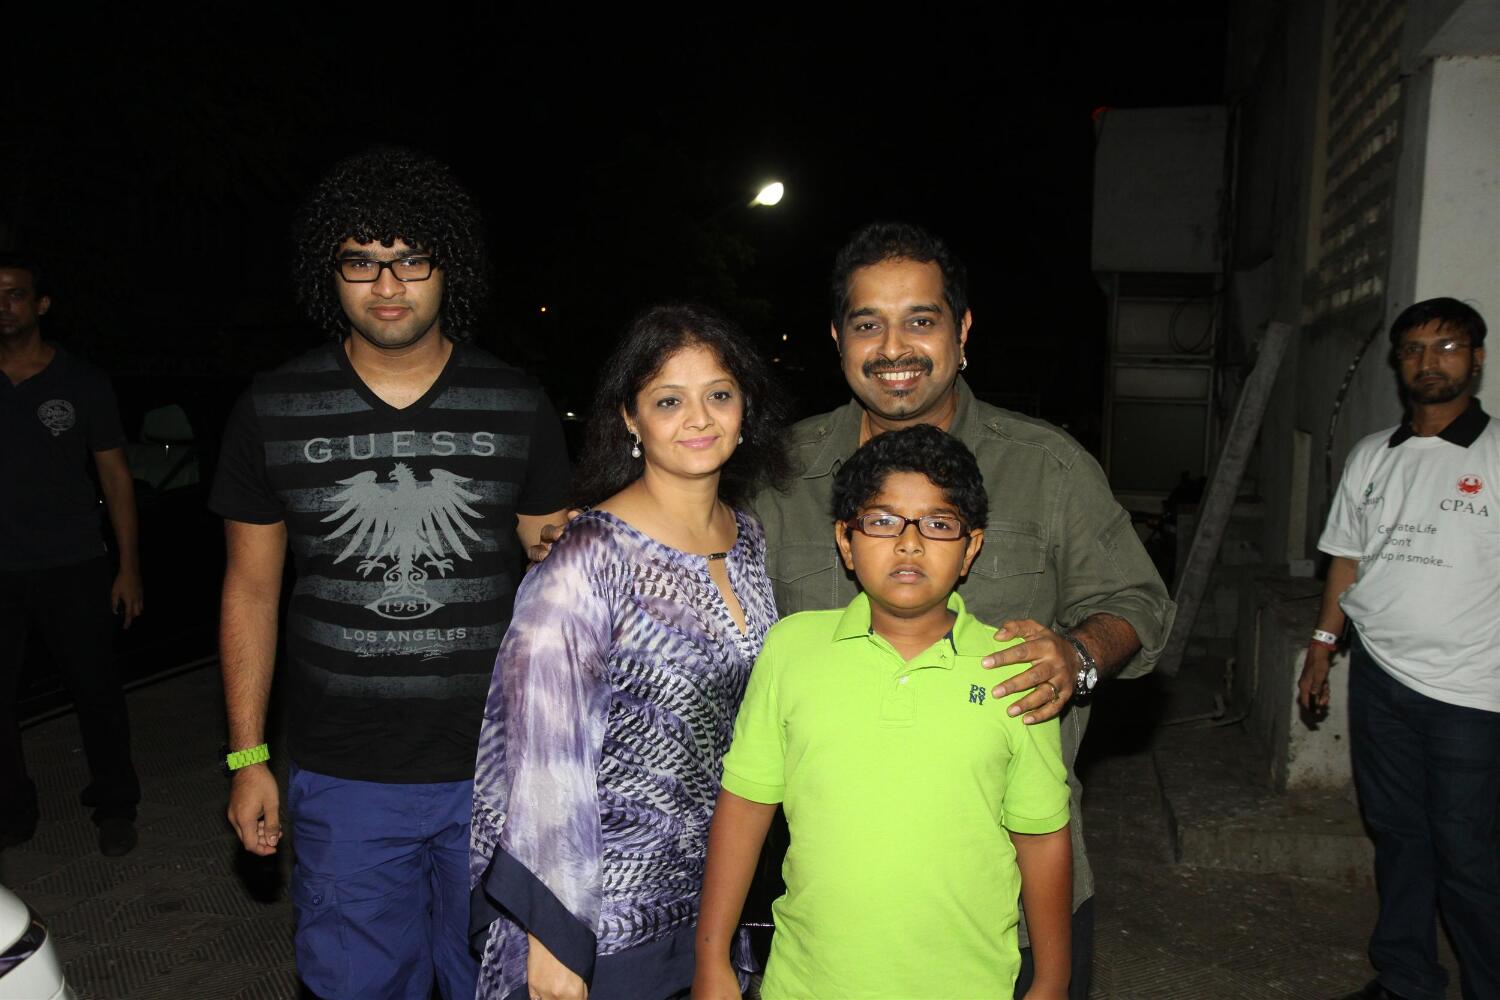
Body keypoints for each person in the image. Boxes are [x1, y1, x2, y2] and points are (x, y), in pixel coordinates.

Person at [747, 222, 1173, 997]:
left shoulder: (1045, 468)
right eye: (868, 322)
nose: (894, 346)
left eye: (921, 319)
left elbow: (1138, 604)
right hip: (831, 900)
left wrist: (1076, 656)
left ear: (963, 330)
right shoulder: (784, 475)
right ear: (838, 338)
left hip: (1011, 886)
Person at [210, 147, 571, 1000]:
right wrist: (247, 755)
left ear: (450, 266)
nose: (388, 284)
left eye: (412, 258)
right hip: (344, 778)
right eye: (361, 262)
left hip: (496, 775)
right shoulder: (273, 406)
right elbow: (251, 590)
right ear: (328, 274)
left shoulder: (517, 402)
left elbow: (562, 579)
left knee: (499, 985)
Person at [469, 303, 789, 1000]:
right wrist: (553, 940)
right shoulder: (588, 556)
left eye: (719, 395)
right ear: (630, 419)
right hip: (603, 921)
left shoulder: (749, 539)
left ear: (745, 408)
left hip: (711, 904)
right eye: (668, 400)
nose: (699, 419)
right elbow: (537, 756)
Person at [694, 424, 1072, 999]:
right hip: (807, 984)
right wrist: (711, 958)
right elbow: (746, 805)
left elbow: (1042, 837)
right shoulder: (792, 649)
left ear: (971, 548)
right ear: (845, 542)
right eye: (883, 520)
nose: (909, 543)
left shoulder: (1016, 668)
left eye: (939, 524)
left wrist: (1052, 981)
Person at [1297, 297, 1498, 1000]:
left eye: (1446, 348)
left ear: (1475, 359)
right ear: (1398, 360)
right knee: (1400, 838)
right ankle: (1408, 978)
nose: (1428, 362)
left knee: (1469, 854)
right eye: (1413, 349)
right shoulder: (1372, 455)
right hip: (1380, 678)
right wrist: (1323, 648)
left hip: (1474, 694)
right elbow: (1346, 561)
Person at [0, 252, 144, 857]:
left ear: (40, 304)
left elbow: (116, 479)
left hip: (74, 564)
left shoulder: (81, 382)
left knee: (97, 693)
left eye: (13, 293)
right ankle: (13, 809)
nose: (2, 305)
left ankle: (115, 805)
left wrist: (128, 567)